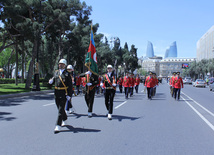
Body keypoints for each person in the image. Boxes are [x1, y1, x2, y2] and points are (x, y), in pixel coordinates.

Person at [49, 59, 73, 134]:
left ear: (65, 65)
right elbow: (54, 81)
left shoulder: (67, 74)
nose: (60, 65)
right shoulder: (56, 72)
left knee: (60, 109)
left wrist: (69, 95)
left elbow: (70, 85)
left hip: (63, 93)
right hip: (56, 92)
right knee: (59, 107)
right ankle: (65, 119)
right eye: (59, 64)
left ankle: (58, 125)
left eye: (62, 64)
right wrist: (50, 82)